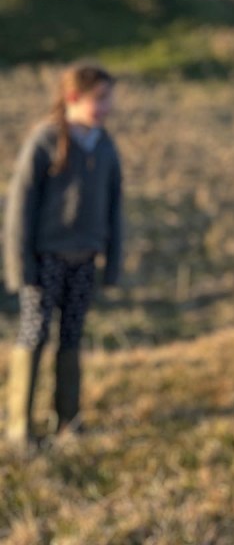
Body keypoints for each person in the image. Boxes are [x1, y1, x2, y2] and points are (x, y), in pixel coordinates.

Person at [3, 61, 123, 452]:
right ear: (74, 97)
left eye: (109, 99)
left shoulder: (105, 146)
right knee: (34, 333)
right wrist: (20, 265)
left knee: (71, 336)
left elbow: (114, 207)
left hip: (84, 259)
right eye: (100, 99)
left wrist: (113, 262)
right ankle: (20, 426)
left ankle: (67, 419)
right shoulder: (44, 140)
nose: (106, 107)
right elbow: (20, 206)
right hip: (45, 259)